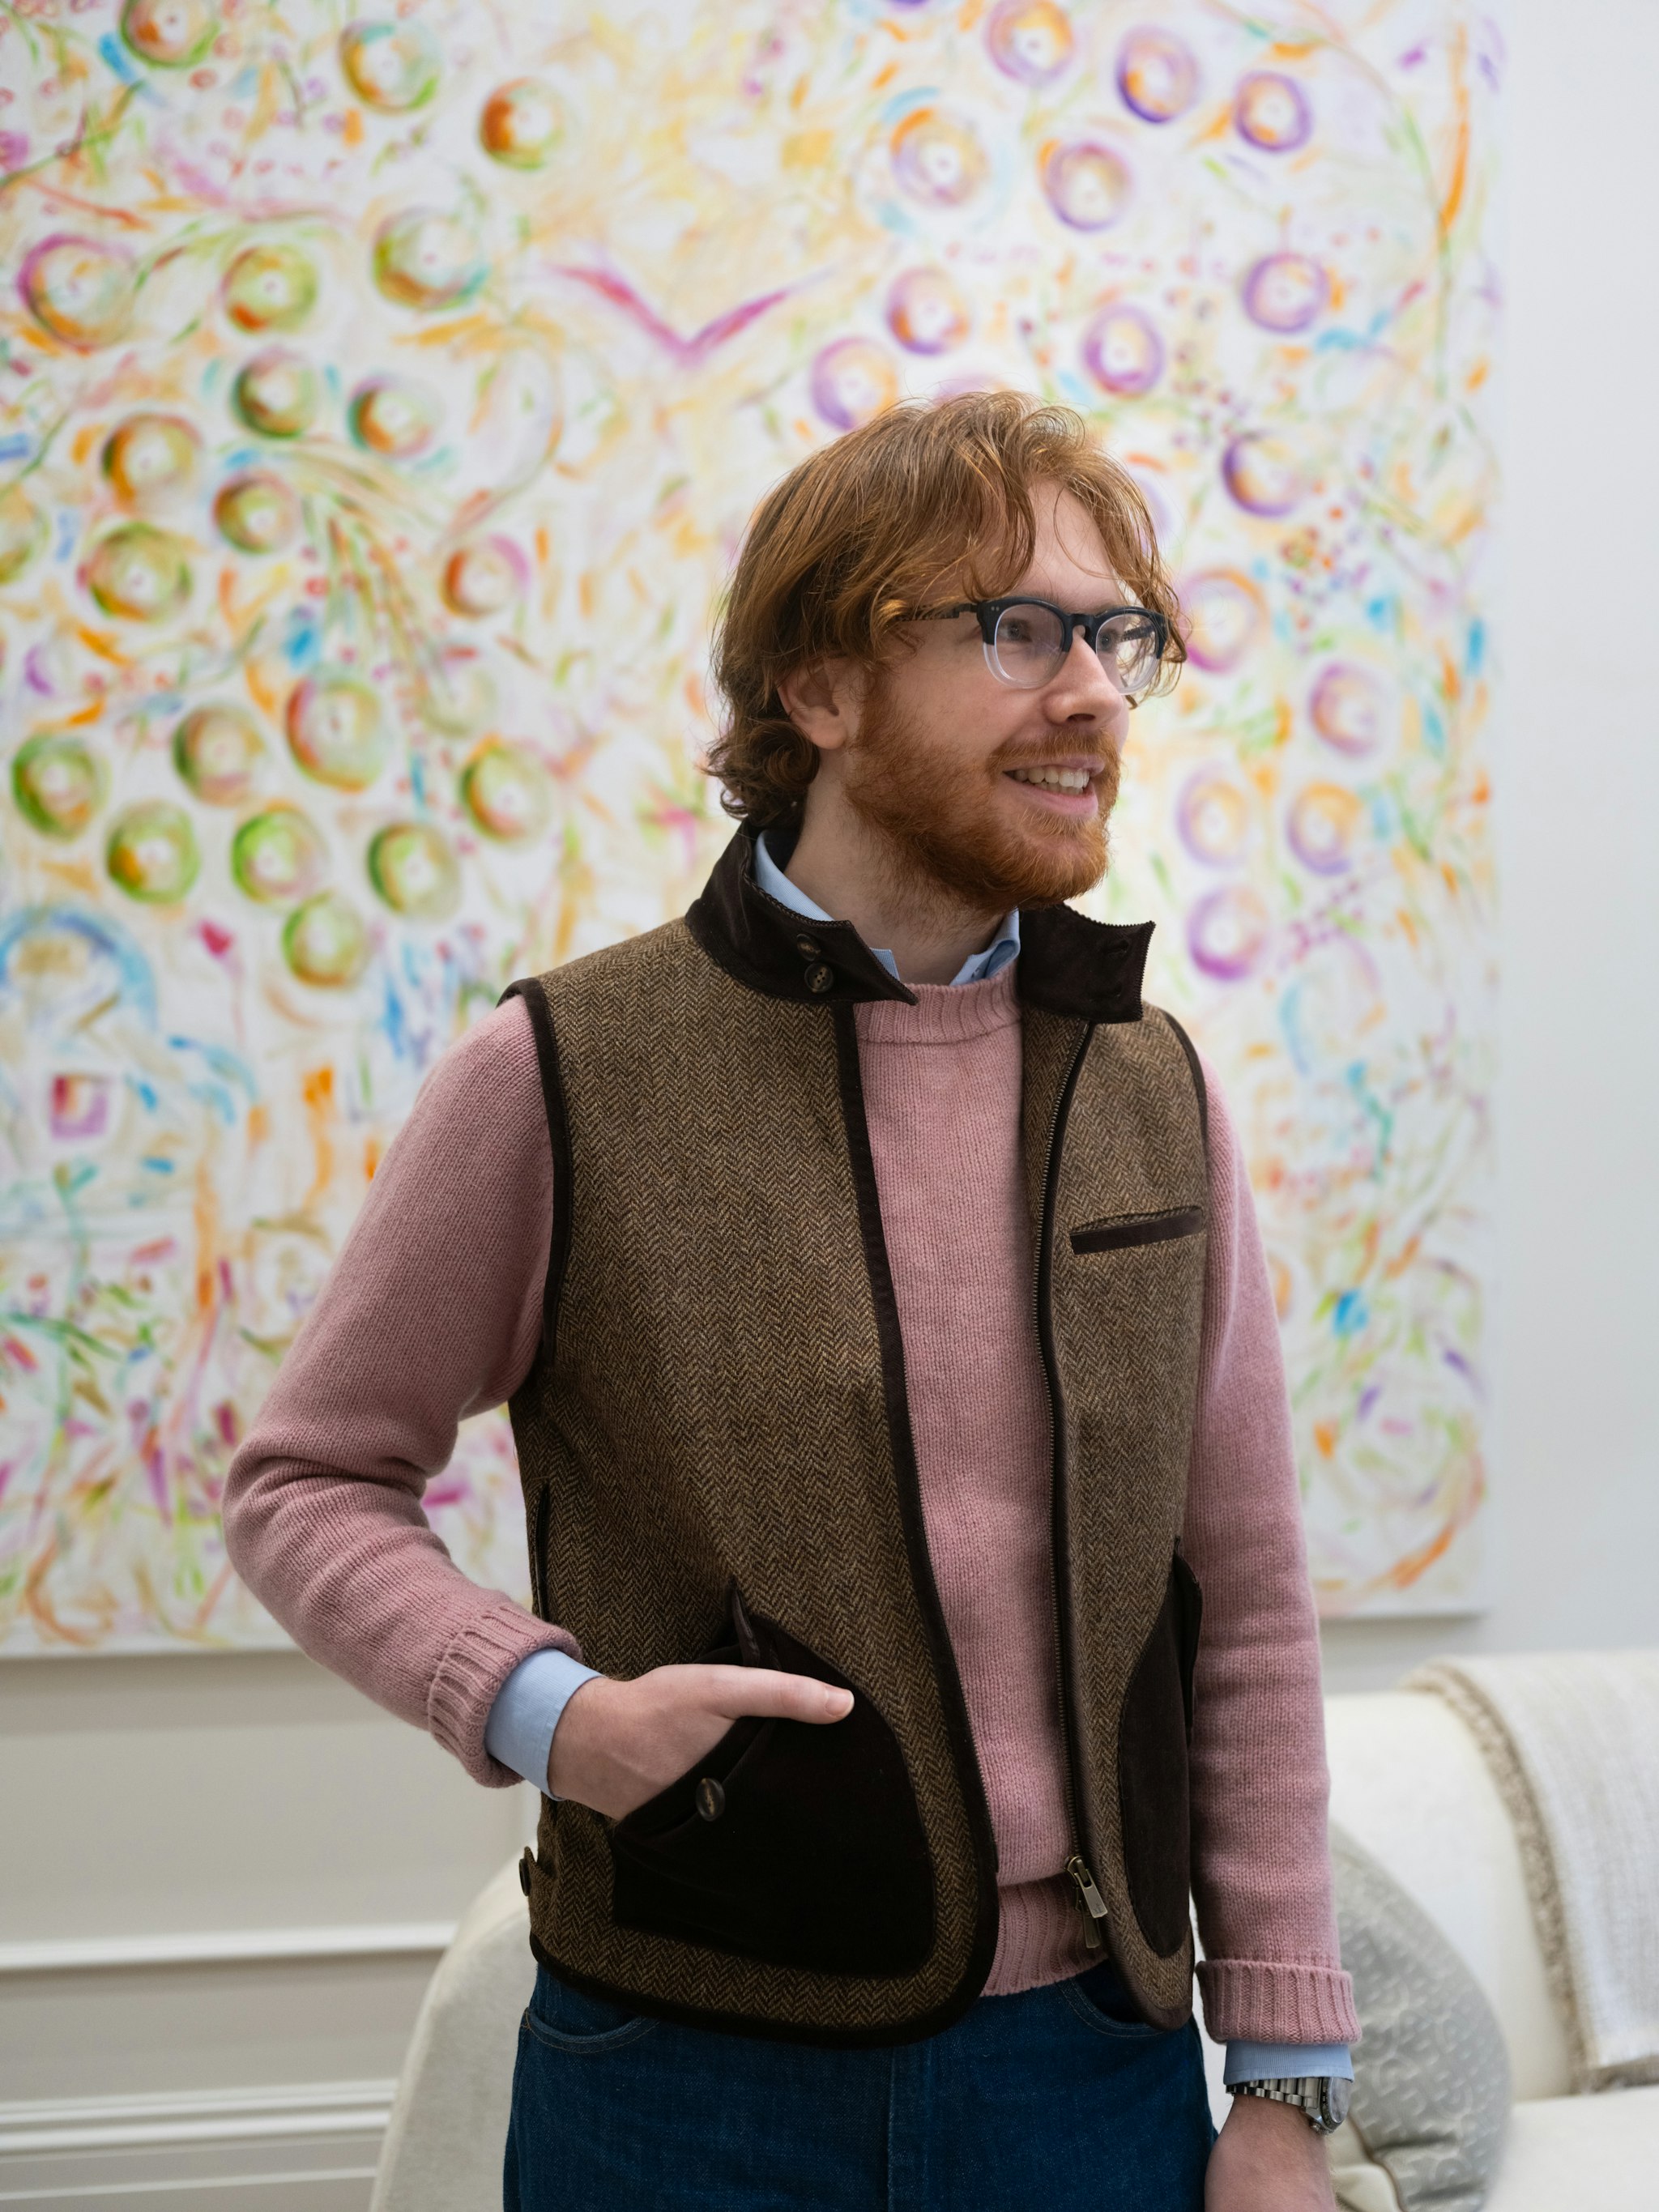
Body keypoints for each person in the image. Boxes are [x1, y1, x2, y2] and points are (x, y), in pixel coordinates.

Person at [224, 390, 1358, 2212]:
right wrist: (543, 1708)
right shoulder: (565, 1070)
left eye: (1117, 635)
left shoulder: (1151, 1084)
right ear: (820, 687)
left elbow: (1243, 1593)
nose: (1092, 693)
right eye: (1019, 629)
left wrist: (1289, 2077)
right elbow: (306, 1480)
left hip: (1095, 2077)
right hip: (685, 2082)